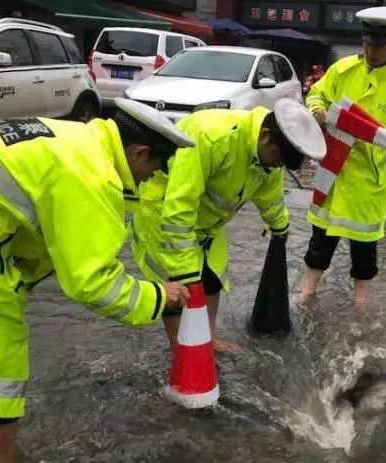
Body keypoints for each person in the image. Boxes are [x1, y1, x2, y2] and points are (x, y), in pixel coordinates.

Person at [0, 98, 193, 463]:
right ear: (139, 152)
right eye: (154, 169)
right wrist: (158, 297)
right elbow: (91, 282)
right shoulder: (93, 174)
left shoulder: (78, 138)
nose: (151, 179)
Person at [132, 98, 326, 354]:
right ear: (265, 135)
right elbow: (179, 207)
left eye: (283, 164)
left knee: (211, 280)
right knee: (179, 292)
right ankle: (181, 352)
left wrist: (279, 226)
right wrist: (185, 271)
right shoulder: (212, 137)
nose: (277, 166)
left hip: (208, 226)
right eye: (277, 158)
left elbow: (270, 195)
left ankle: (207, 340)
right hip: (165, 216)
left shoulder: (270, 156)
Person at [299, 6, 386, 306]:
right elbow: (316, 93)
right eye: (367, 43)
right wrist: (317, 111)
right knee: (319, 240)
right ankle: (306, 294)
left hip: (370, 182)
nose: (371, 51)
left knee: (364, 251)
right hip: (332, 172)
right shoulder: (343, 70)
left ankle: (360, 306)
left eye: (378, 45)